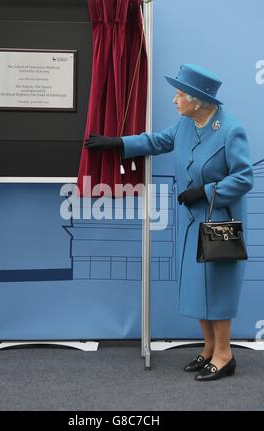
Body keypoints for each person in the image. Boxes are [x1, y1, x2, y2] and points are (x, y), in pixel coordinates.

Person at [85, 64, 253, 381]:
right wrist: (120, 143)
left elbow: (244, 178)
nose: (175, 100)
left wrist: (204, 191)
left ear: (199, 100)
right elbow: (159, 141)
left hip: (218, 223)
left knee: (217, 290)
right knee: (196, 288)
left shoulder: (231, 131)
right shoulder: (185, 124)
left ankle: (224, 355)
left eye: (179, 94)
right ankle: (208, 349)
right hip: (191, 223)